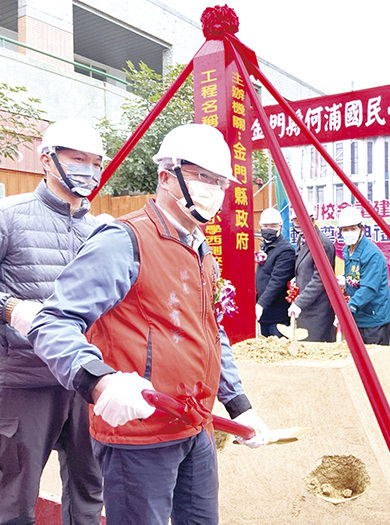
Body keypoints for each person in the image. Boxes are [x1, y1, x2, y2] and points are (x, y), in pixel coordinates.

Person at [28, 124, 270, 525]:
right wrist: (100, 379)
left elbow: (211, 332)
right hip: (139, 435)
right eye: (201, 176)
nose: (212, 189)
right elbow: (54, 321)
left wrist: (238, 404)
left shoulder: (199, 250)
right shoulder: (124, 240)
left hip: (195, 426)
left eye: (219, 182)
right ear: (166, 176)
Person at [0, 118, 105, 525]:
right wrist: (12, 308)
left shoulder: (102, 231)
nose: (89, 170)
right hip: (25, 380)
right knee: (14, 496)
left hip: (87, 379)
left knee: (89, 490)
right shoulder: (10, 216)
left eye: (95, 162)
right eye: (77, 159)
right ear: (47, 160)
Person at [337, 207, 390, 345]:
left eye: (353, 228)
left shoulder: (372, 254)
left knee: (374, 361)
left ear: (362, 229)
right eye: (345, 229)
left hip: (373, 318)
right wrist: (345, 279)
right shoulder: (347, 249)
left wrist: (347, 310)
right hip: (357, 316)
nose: (349, 233)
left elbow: (369, 288)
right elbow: (355, 274)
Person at [288, 203, 336, 342]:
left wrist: (299, 303)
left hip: (317, 311)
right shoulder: (302, 239)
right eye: (296, 221)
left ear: (312, 220)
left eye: (302, 220)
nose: (299, 224)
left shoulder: (322, 243)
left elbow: (320, 279)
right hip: (305, 308)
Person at [255, 207, 295, 337]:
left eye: (273, 226)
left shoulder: (285, 251)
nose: (269, 229)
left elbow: (277, 281)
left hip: (277, 316)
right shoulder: (265, 246)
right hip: (264, 315)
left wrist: (261, 304)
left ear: (280, 227)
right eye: (265, 226)